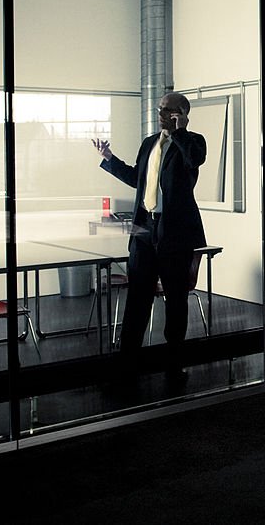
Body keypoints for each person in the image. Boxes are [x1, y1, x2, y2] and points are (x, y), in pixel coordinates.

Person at [92, 91, 206, 384]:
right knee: (137, 299)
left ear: (181, 113)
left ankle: (174, 363)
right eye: (160, 109)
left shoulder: (193, 143)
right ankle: (128, 363)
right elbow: (136, 179)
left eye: (167, 110)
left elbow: (193, 162)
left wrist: (178, 132)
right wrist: (109, 158)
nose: (161, 113)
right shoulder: (148, 144)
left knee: (176, 301)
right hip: (144, 230)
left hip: (175, 234)